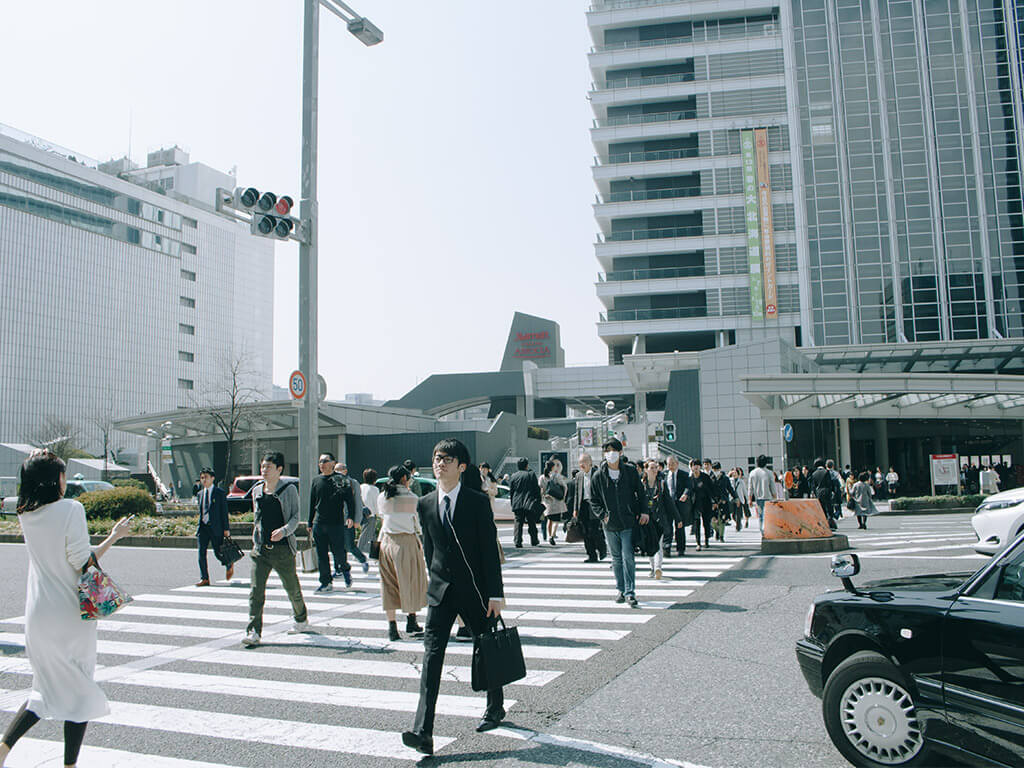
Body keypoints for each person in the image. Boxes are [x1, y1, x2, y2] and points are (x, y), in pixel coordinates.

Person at [0, 450, 132, 768]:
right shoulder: (72, 509)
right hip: (69, 615)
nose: (65, 480)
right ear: (55, 480)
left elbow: (69, 556)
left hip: (38, 615)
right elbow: (79, 562)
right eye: (62, 473)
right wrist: (112, 542)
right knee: (79, 690)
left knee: (44, 688)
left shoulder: (25, 513)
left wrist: (110, 538)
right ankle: (69, 765)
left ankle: (2, 750)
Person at [402, 439, 505, 756]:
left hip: (474, 591)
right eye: (435, 457)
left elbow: (489, 551)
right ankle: (424, 732)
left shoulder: (476, 502)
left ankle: (495, 706)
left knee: (486, 649)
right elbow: (430, 551)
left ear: (462, 466)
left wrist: (495, 594)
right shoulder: (426, 503)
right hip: (440, 593)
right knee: (431, 658)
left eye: (447, 458)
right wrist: (432, 584)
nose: (439, 462)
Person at [243, 451, 308, 648]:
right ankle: (253, 631)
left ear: (279, 469)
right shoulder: (257, 491)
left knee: (292, 589)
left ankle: (301, 618)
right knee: (256, 591)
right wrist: (256, 540)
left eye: (268, 467)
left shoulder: (289, 490)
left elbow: (296, 517)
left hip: (282, 551)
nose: (264, 470)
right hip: (261, 551)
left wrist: (284, 531)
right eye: (262, 467)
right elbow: (257, 519)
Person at [589, 438, 645, 607]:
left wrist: (643, 511)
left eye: (614, 450)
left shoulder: (630, 471)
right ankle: (621, 589)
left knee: (628, 556)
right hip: (609, 523)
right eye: (607, 451)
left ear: (621, 453)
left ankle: (630, 592)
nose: (610, 454)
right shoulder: (598, 475)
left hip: (628, 521)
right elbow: (593, 500)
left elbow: (640, 493)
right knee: (616, 559)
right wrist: (603, 515)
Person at [376, 465, 428, 641]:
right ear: (405, 479)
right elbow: (417, 525)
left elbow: (382, 518)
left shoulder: (382, 497)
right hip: (406, 542)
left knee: (388, 584)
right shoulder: (412, 498)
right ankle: (411, 621)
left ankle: (392, 627)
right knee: (410, 582)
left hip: (386, 542)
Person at [308, 453, 358, 592]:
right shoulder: (316, 480)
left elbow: (350, 500)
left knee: (339, 553)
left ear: (333, 463)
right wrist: (309, 523)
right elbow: (312, 502)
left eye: (325, 461)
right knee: (322, 554)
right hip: (319, 523)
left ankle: (346, 571)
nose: (322, 464)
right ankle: (326, 582)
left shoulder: (341, 479)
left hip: (336, 523)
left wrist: (351, 517)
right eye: (320, 462)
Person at [195, 467, 232, 586]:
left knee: (218, 552)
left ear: (212, 478)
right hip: (203, 528)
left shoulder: (219, 493)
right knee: (201, 553)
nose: (203, 480)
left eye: (206, 477)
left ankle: (228, 563)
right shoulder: (200, 494)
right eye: (202, 478)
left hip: (216, 528)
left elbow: (224, 512)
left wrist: (226, 529)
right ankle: (204, 578)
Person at [567, 453, 606, 563]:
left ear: (590, 462)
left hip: (594, 505)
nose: (581, 465)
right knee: (585, 532)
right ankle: (591, 555)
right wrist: (575, 509)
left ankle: (602, 548)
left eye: (583, 462)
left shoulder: (597, 474)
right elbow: (576, 494)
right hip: (583, 505)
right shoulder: (579, 475)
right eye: (580, 462)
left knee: (594, 530)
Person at [337, 462, 372, 574]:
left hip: (349, 519)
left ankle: (362, 560)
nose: (337, 472)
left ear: (345, 471)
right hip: (335, 520)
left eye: (339, 469)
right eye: (335, 470)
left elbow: (358, 503)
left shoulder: (353, 483)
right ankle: (339, 568)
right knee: (337, 546)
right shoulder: (332, 483)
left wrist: (357, 520)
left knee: (350, 545)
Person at [640, 459, 665, 579]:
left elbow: (668, 502)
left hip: (659, 518)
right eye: (652, 468)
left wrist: (678, 518)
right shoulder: (641, 484)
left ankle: (658, 567)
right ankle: (652, 567)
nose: (655, 470)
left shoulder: (661, 484)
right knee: (650, 544)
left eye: (656, 467)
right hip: (646, 519)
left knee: (658, 544)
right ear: (646, 470)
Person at [508, 457, 542, 547]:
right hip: (529, 502)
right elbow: (536, 489)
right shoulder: (531, 474)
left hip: (517, 502)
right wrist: (538, 500)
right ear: (527, 465)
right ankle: (534, 540)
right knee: (531, 522)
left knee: (518, 522)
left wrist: (512, 503)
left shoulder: (514, 476)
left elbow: (511, 491)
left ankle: (517, 541)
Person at [685, 458, 716, 550]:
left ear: (700, 467)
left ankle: (706, 540)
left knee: (706, 522)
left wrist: (714, 501)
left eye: (697, 465)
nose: (695, 467)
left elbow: (711, 489)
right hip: (695, 504)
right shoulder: (690, 479)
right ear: (691, 467)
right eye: (694, 465)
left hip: (706, 502)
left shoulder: (705, 477)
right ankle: (698, 543)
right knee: (696, 523)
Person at [662, 455, 689, 555]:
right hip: (668, 504)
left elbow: (688, 486)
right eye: (668, 464)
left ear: (677, 464)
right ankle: (667, 547)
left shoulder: (684, 474)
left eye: (672, 464)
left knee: (680, 526)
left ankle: (681, 548)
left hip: (679, 504)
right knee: (667, 526)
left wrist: (685, 494)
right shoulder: (663, 474)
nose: (671, 466)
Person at [540, 459, 568, 546]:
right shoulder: (556, 476)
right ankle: (552, 535)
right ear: (552, 467)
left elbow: (541, 489)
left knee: (550, 520)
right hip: (557, 502)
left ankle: (549, 536)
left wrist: (544, 496)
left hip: (547, 501)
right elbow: (565, 487)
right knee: (556, 520)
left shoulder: (542, 477)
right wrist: (563, 497)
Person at [747, 454, 777, 533]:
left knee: (760, 516)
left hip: (758, 498)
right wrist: (775, 497)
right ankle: (767, 530)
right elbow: (773, 486)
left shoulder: (752, 473)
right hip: (768, 497)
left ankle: (762, 531)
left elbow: (750, 488)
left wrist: (749, 499)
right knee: (768, 516)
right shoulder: (769, 473)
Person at [710, 461, 735, 542]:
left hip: (723, 501)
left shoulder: (725, 478)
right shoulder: (710, 478)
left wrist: (736, 497)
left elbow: (730, 489)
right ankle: (717, 530)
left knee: (722, 520)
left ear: (720, 469)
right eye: (714, 469)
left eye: (717, 469)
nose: (716, 471)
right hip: (713, 502)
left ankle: (721, 536)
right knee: (713, 520)